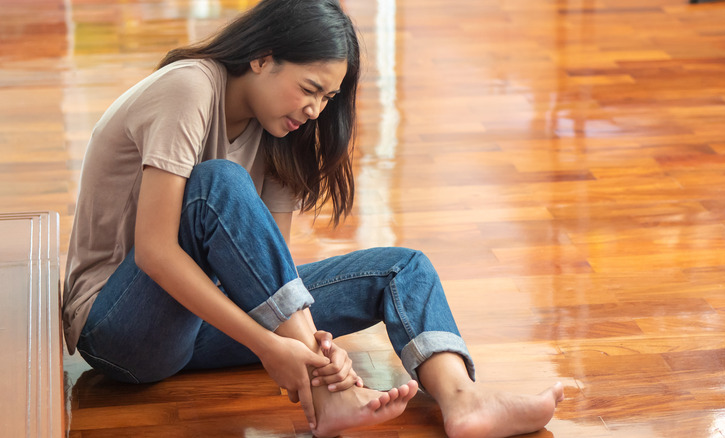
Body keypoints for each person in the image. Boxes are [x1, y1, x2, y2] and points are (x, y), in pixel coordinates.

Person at [61, 0, 564, 436]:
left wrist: (304, 341)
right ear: (262, 57)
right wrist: (272, 345)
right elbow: (154, 251)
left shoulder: (283, 134)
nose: (316, 109)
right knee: (218, 183)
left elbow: (264, 277)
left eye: (327, 97)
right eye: (310, 88)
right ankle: (327, 396)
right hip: (119, 328)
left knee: (403, 268)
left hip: (200, 320)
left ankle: (462, 400)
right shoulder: (189, 89)